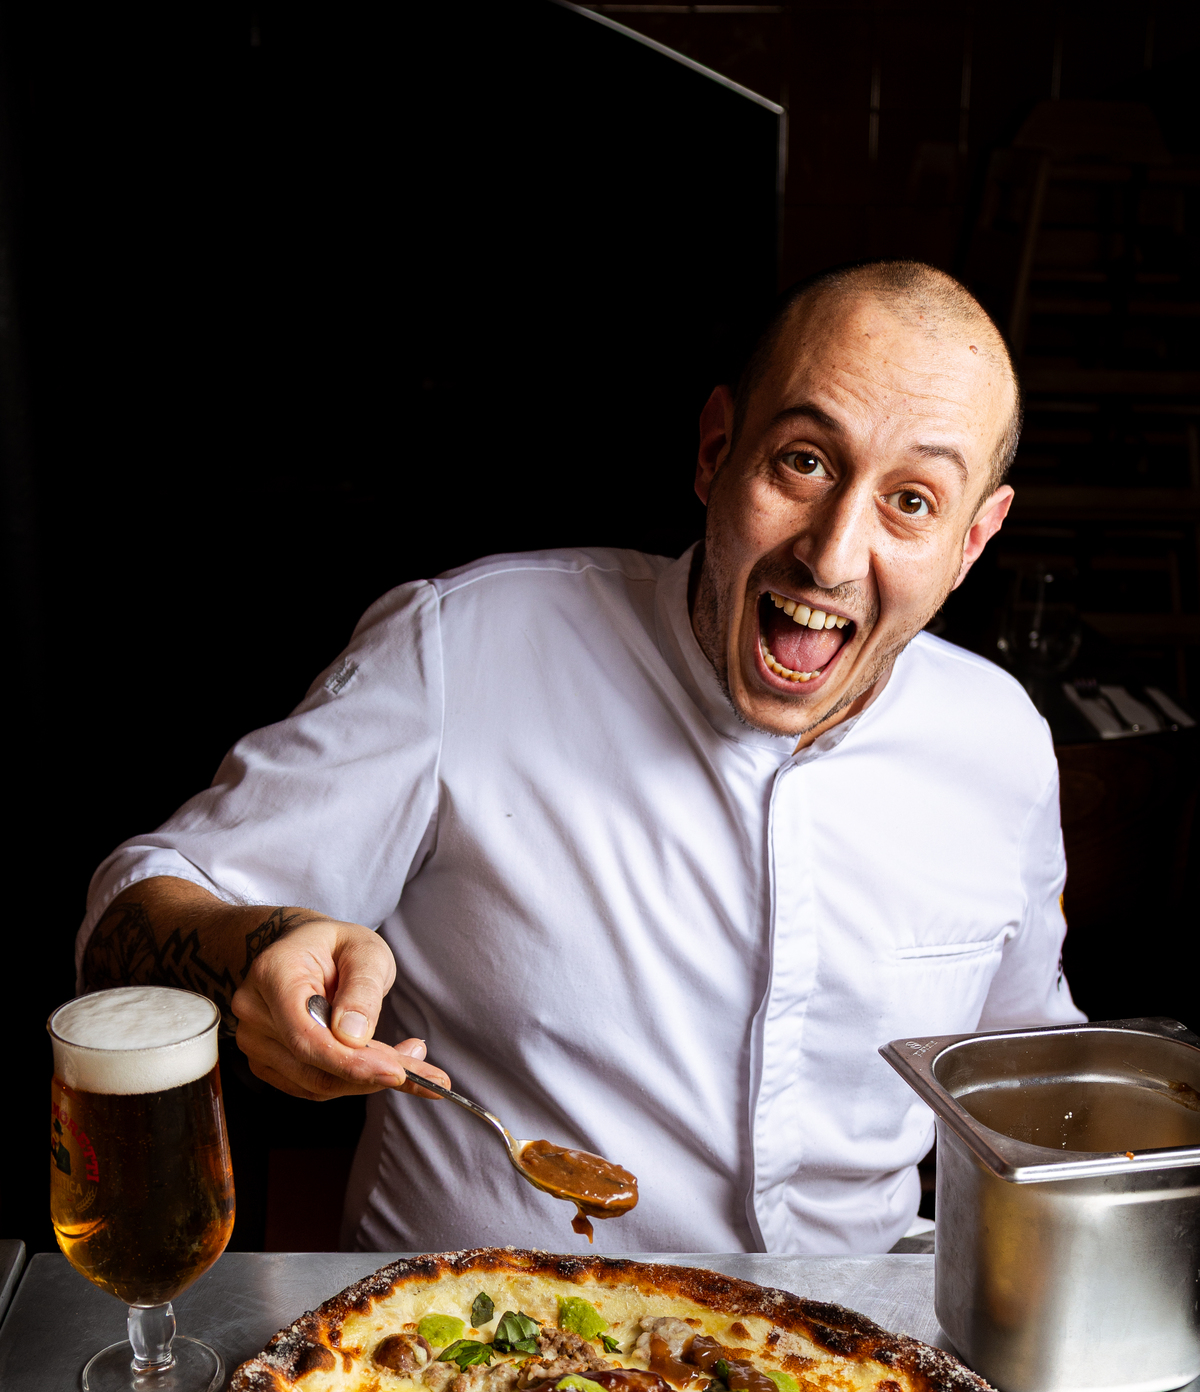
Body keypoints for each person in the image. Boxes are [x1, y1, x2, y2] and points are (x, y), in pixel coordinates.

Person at [80, 261, 1083, 1257]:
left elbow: (1022, 1080)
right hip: (467, 1355)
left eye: (912, 501)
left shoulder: (999, 740)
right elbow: (134, 909)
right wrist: (253, 951)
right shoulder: (460, 650)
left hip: (852, 1369)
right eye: (805, 463)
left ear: (972, 541)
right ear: (716, 450)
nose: (829, 556)